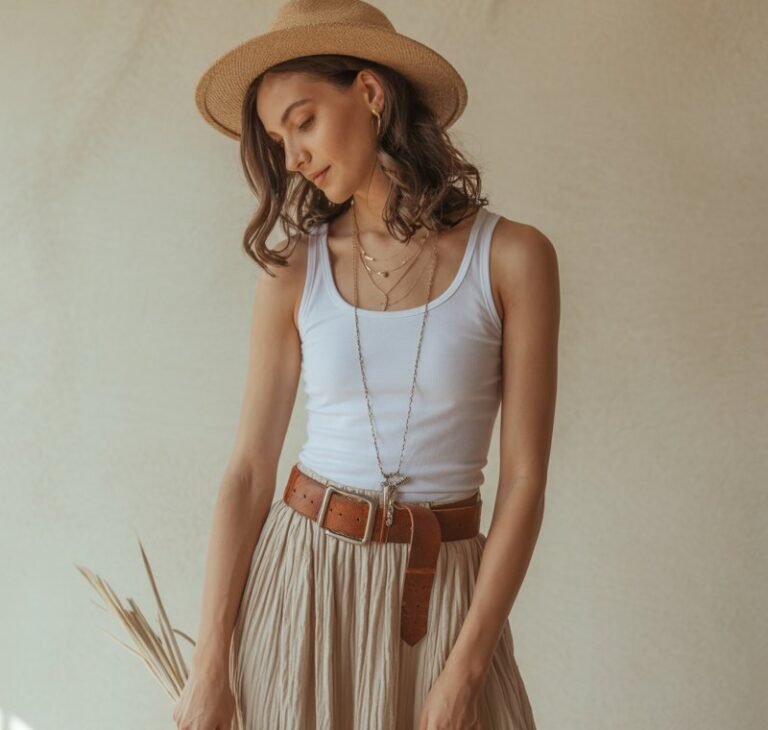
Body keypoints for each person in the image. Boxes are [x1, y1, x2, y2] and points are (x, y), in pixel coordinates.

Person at [174, 1, 559, 728]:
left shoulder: (513, 259)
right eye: (276, 138)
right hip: (302, 583)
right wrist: (208, 667)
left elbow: (526, 480)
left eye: (303, 120)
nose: (290, 157)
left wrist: (466, 671)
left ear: (372, 94)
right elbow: (250, 473)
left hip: (444, 593)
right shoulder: (293, 272)